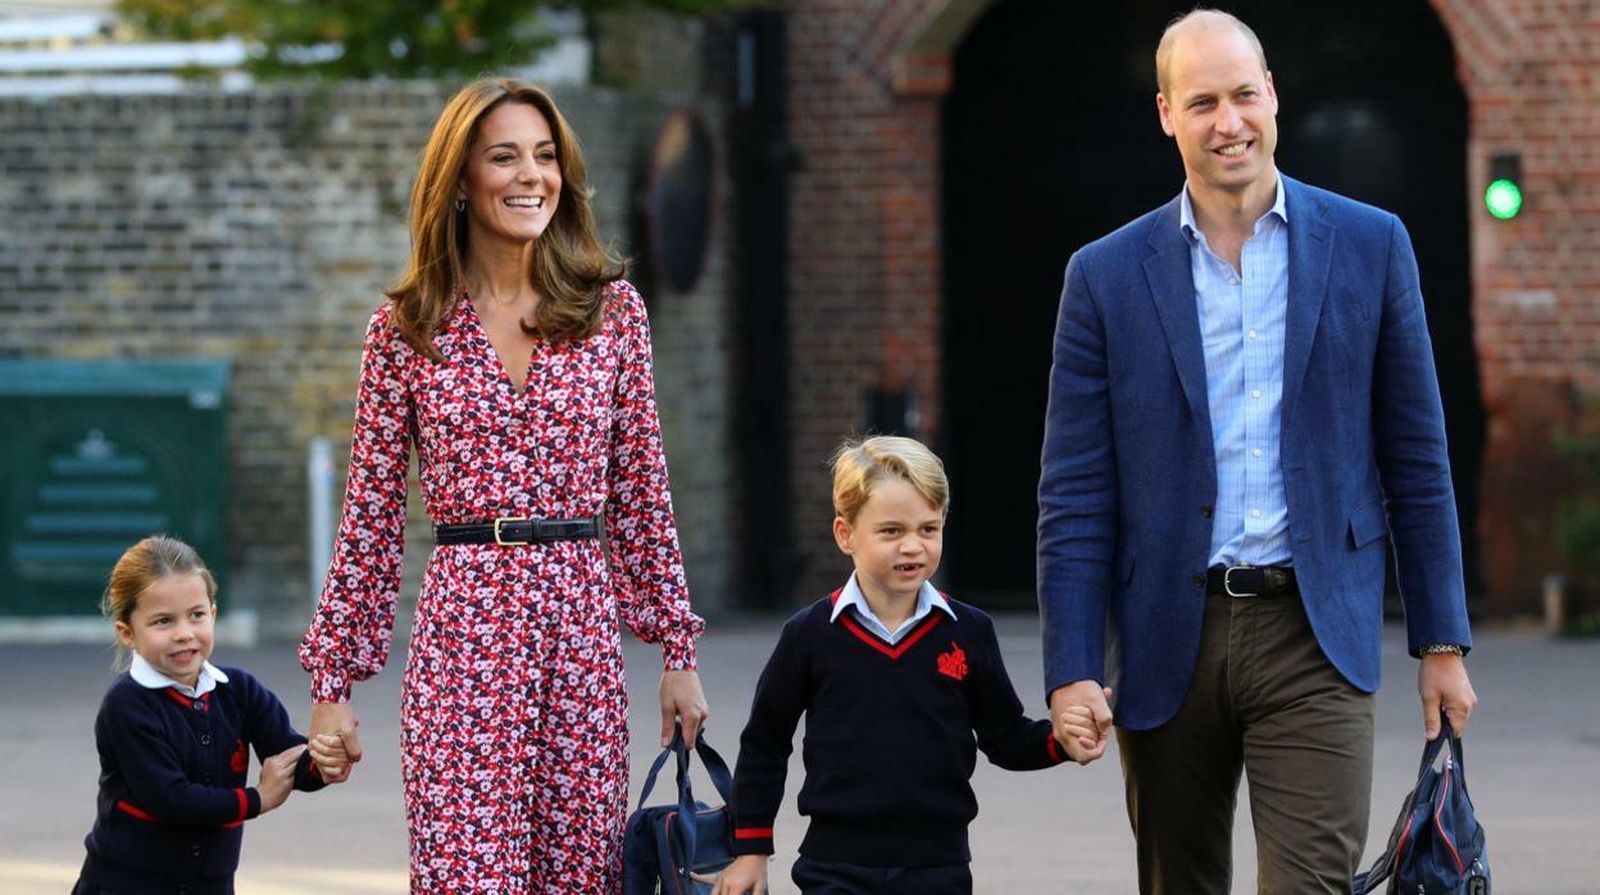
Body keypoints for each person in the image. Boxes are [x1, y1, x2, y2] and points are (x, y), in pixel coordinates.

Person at [1036, 9, 1479, 892]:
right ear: (1166, 113)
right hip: (1169, 630)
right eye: (1203, 102)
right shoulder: (1105, 275)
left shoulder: (1371, 245)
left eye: (1244, 94)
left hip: (1315, 630)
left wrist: (1443, 640)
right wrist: (1073, 666)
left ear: (1273, 94)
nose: (1229, 121)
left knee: (1309, 882)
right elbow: (1075, 494)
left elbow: (1417, 458)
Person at [297, 77, 710, 892]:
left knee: (581, 877)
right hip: (463, 636)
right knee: (463, 878)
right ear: (459, 180)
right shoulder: (408, 326)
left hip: (580, 636)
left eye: (546, 156)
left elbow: (640, 493)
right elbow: (371, 515)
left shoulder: (613, 313)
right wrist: (332, 684)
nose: (532, 175)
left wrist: (677, 648)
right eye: (505, 157)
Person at [715, 436, 1094, 895]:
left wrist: (1060, 741)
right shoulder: (809, 635)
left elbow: (1006, 737)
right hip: (834, 865)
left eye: (928, 529)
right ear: (845, 534)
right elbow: (765, 743)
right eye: (891, 531)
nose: (912, 546)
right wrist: (751, 850)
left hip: (938, 865)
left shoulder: (969, 632)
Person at [73, 535, 324, 895]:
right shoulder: (127, 705)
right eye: (163, 621)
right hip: (126, 883)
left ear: (213, 614)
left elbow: (287, 755)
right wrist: (258, 799)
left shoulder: (239, 690)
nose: (184, 634)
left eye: (196, 615)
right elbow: (172, 800)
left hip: (211, 884)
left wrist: (324, 760)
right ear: (128, 632)